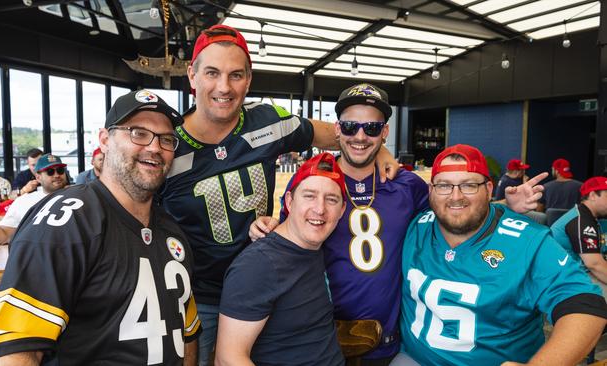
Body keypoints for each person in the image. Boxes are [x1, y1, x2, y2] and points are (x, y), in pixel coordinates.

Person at [250, 83, 547, 365]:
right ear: (338, 129)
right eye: (351, 126)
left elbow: (452, 210)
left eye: (373, 127)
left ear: (385, 132)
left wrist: (506, 205)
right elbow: (290, 240)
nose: (361, 136)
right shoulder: (315, 182)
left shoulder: (406, 185)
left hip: (388, 342)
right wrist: (267, 227)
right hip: (319, 338)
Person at [157, 24, 398, 365]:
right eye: (212, 73)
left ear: (249, 79)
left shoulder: (267, 121)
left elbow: (338, 133)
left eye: (235, 75)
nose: (224, 87)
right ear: (192, 76)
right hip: (201, 295)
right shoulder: (167, 146)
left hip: (271, 282)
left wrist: (380, 151)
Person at [0, 89, 200, 366]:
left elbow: (186, 334)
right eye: (138, 133)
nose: (154, 147)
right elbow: (13, 352)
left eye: (166, 139)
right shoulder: (65, 221)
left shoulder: (171, 232)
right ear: (105, 140)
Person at [397, 144, 607, 365]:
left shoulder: (527, 241)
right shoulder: (414, 226)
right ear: (431, 190)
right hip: (413, 359)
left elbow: (584, 305)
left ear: (488, 189)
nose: (455, 197)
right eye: (444, 186)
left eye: (469, 185)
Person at [215, 153, 347, 366]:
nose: (320, 209)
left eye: (331, 199)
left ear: (342, 210)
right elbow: (227, 359)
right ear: (289, 201)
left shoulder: (312, 247)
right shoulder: (258, 265)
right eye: (309, 196)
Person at [0, 153, 69, 246]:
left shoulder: (80, 195)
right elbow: (5, 232)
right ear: (38, 177)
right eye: (50, 172)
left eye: (60, 170)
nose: (57, 175)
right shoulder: (24, 201)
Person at [550, 176, 607, 296]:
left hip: (575, 273)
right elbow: (595, 265)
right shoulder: (581, 220)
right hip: (565, 280)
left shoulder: (586, 216)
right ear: (592, 196)